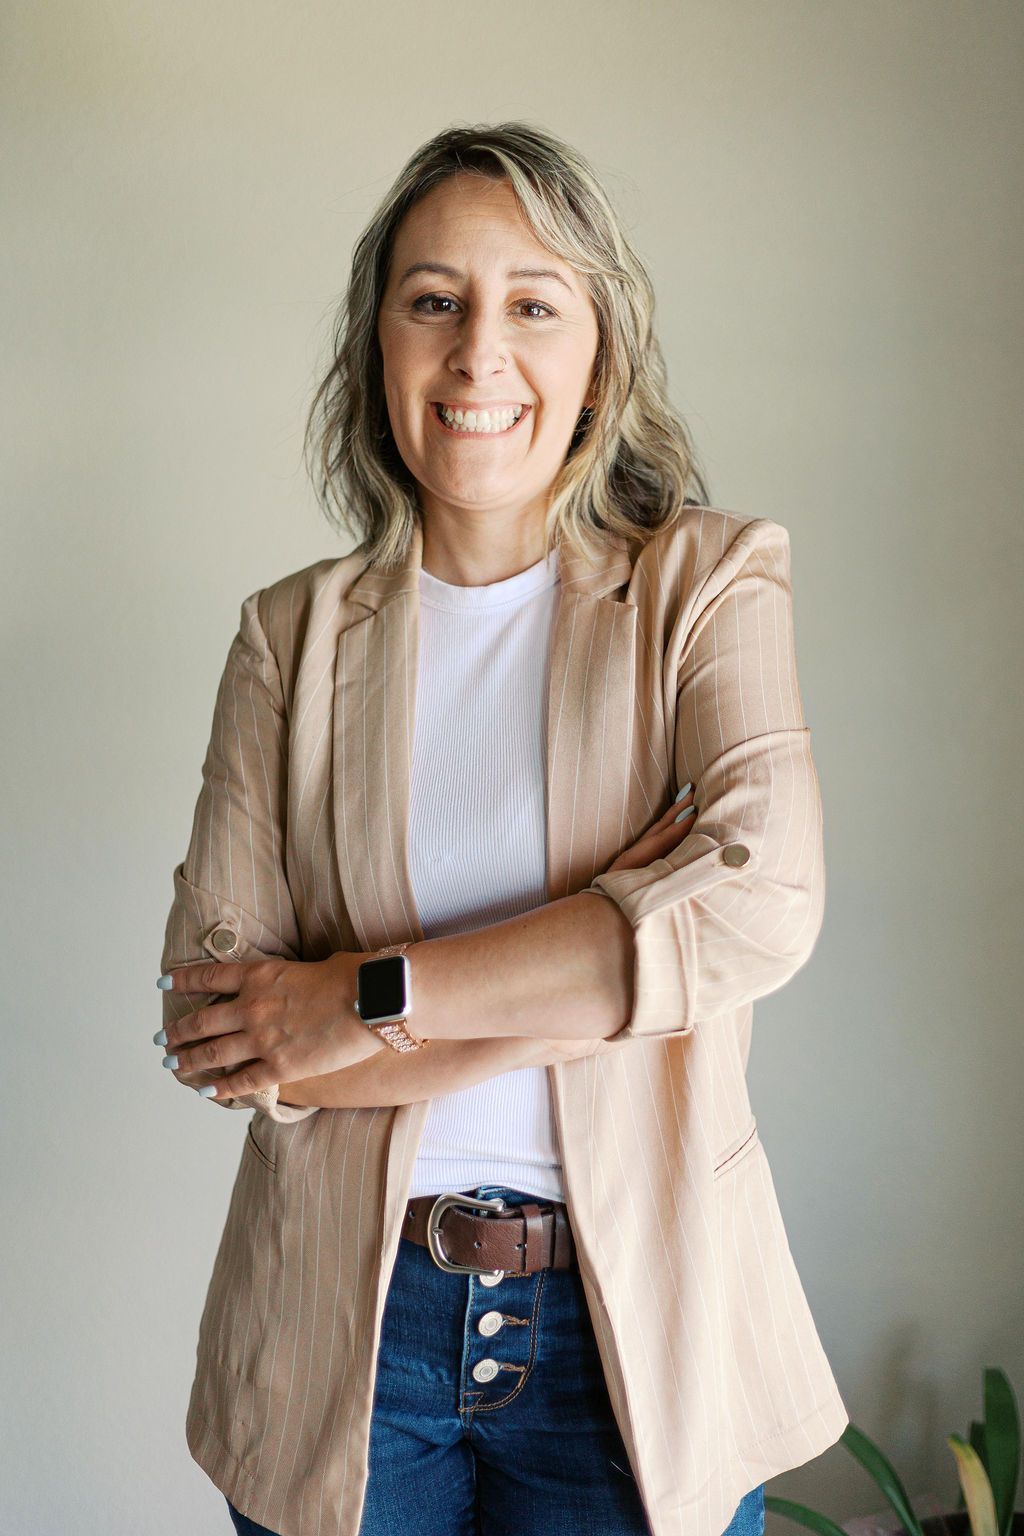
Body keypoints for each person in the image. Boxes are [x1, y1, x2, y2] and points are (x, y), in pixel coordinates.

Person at [156, 121, 848, 1536]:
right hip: (346, 1339)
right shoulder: (287, 638)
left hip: (640, 1323)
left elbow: (760, 908)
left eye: (533, 303)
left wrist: (362, 998)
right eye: (434, 301)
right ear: (378, 347)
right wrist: (609, 953)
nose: (479, 353)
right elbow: (225, 1034)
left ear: (602, 357)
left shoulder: (709, 585)